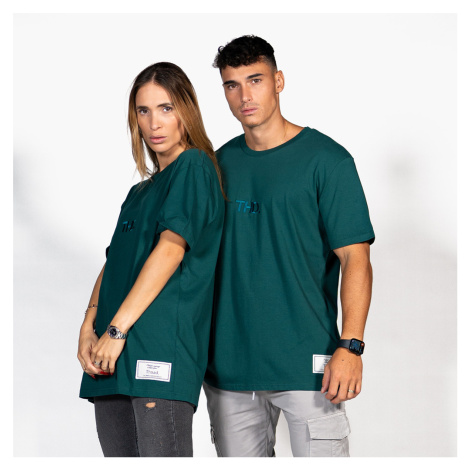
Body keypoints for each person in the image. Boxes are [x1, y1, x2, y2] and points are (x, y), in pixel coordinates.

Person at [203, 35, 375, 457]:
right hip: (230, 372)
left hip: (310, 367)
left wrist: (351, 345)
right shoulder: (216, 166)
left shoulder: (328, 161)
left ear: (278, 81)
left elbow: (355, 258)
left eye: (255, 80)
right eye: (232, 85)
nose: (245, 96)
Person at [77, 62, 225, 457]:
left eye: (166, 108)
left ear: (185, 112)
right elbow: (114, 263)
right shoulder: (138, 193)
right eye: (143, 111)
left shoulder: (193, 167)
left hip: (157, 351)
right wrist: (90, 325)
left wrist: (116, 330)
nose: (154, 122)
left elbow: (170, 250)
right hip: (110, 356)